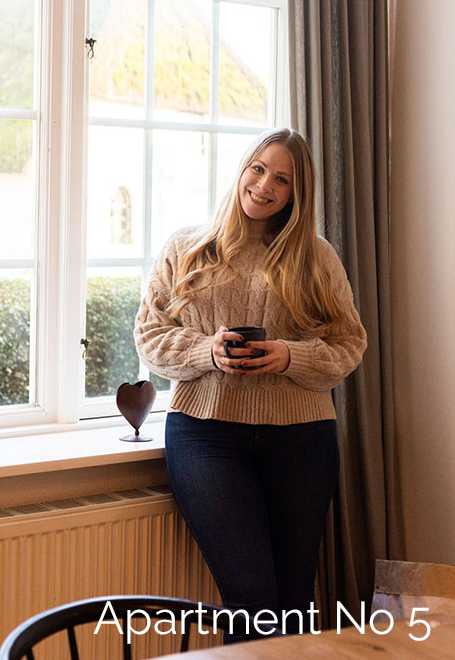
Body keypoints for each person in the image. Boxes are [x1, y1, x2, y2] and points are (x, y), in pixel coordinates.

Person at [134, 127, 367, 644]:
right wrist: (205, 351)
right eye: (258, 168)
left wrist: (289, 355)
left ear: (295, 194)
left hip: (302, 438)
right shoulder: (187, 248)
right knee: (252, 601)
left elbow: (349, 345)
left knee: (294, 602)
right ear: (242, 168)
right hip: (206, 436)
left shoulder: (317, 258)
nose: (264, 186)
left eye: (281, 179)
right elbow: (149, 335)